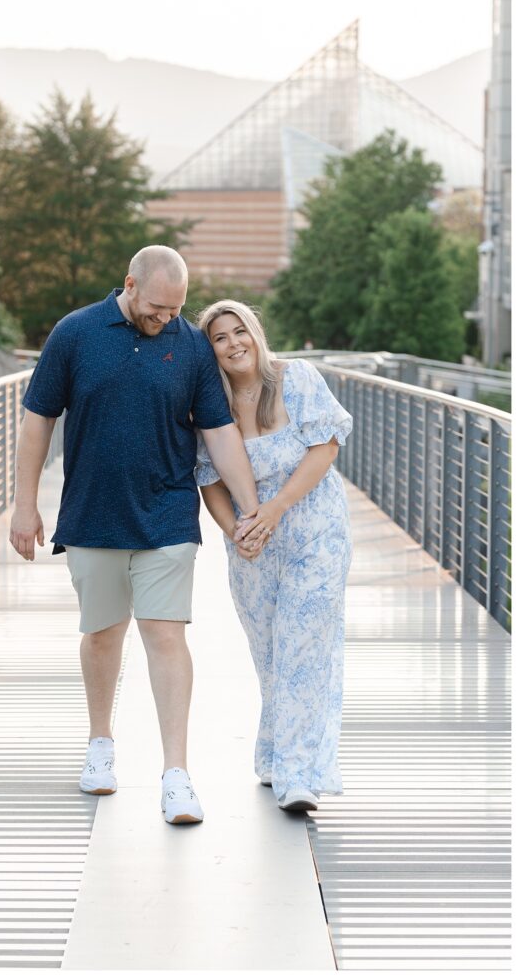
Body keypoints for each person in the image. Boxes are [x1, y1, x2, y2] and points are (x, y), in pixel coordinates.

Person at [9, 248, 262, 824]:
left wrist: (251, 512)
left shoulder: (191, 344)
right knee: (102, 635)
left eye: (176, 309)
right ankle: (101, 745)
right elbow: (37, 421)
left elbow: (219, 433)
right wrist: (24, 506)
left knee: (166, 636)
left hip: (168, 514)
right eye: (156, 307)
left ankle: (177, 775)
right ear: (129, 284)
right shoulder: (75, 333)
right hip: (92, 514)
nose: (166, 318)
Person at [195, 300, 353, 813]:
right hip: (253, 548)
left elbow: (325, 447)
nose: (234, 343)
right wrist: (234, 530)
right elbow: (210, 481)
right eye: (220, 337)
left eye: (240, 331)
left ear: (256, 333)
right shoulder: (210, 407)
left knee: (302, 649)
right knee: (270, 656)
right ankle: (275, 752)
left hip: (315, 533)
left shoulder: (299, 378)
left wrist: (275, 510)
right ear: (211, 349)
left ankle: (297, 774)